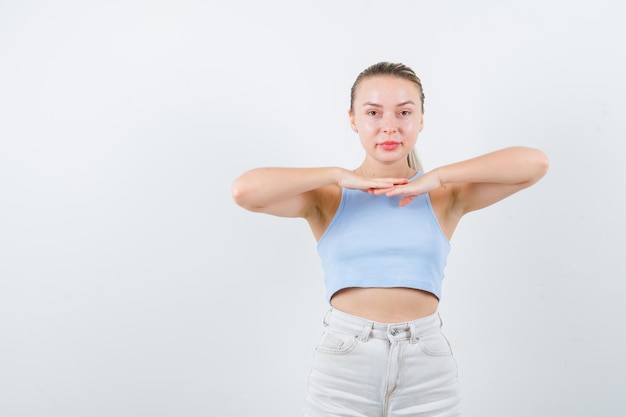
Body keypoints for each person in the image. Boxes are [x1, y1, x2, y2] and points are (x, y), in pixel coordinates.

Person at [231, 62, 549, 417]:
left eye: (404, 112)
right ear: (353, 119)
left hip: (427, 365)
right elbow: (245, 191)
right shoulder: (328, 197)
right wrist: (339, 176)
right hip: (344, 364)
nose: (389, 126)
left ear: (421, 119)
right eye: (373, 112)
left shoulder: (444, 197)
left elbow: (534, 164)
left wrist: (438, 177)